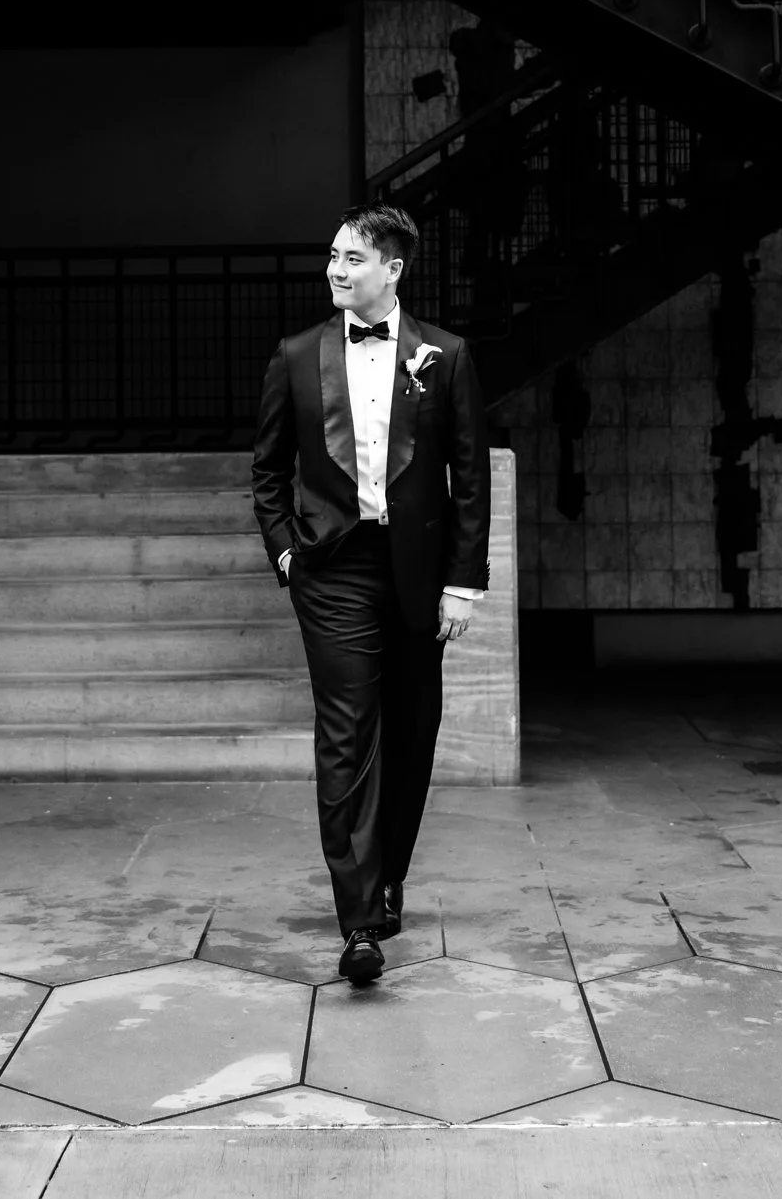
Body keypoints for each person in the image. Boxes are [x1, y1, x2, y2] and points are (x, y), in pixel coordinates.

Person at [250, 204, 488, 987]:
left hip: (419, 571)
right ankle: (358, 920)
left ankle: (387, 879)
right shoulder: (295, 355)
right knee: (347, 733)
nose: (336, 269)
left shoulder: (444, 356)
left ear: (394, 269)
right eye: (332, 256)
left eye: (353, 258)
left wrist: (462, 583)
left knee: (414, 728)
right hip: (334, 569)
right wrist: (289, 553)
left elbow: (469, 478)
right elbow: (268, 470)